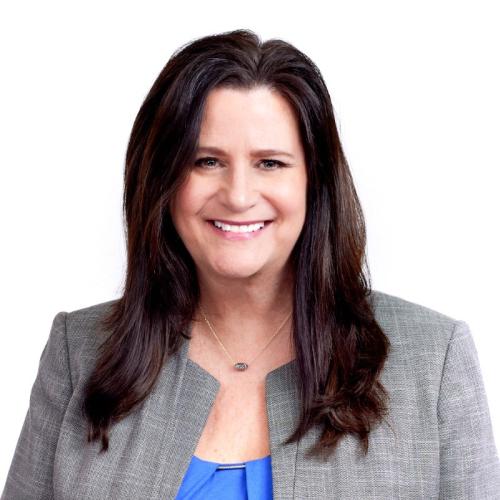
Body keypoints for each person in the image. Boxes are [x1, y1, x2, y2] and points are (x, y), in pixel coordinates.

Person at [2, 28, 500, 500]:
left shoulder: (434, 360)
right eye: (207, 161)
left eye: (270, 163)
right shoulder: (78, 352)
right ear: (162, 181)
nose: (239, 196)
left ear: (315, 182)